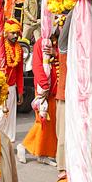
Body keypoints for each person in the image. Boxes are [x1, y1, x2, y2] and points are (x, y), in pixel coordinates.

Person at [23, 21, 67, 168]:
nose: (62, 29)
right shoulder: (41, 43)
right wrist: (44, 85)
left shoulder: (58, 45)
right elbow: (37, 66)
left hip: (56, 90)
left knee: (51, 123)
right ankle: (24, 147)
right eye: (61, 26)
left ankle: (43, 153)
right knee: (43, 122)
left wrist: (56, 54)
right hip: (44, 89)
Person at [0, 18, 26, 144]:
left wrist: (20, 91)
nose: (16, 36)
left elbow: (20, 72)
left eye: (17, 33)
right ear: (6, 33)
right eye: (13, 33)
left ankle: (8, 144)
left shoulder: (19, 49)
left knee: (9, 119)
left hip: (12, 88)